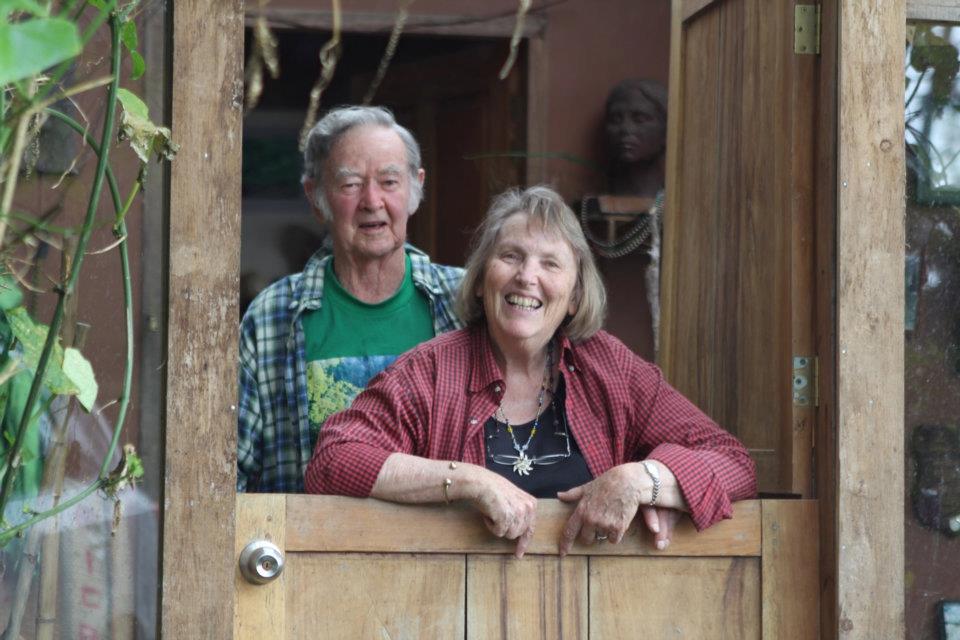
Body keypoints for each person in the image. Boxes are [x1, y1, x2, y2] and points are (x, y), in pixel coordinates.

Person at [305, 185, 756, 556]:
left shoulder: (609, 367)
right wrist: (464, 479)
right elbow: (333, 460)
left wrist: (643, 480)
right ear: (481, 281)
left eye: (550, 263)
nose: (527, 277)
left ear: (575, 296)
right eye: (511, 257)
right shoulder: (432, 371)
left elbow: (733, 461)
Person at [237, 106, 464, 492]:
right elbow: (232, 470)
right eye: (351, 184)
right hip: (310, 549)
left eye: (389, 181)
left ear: (415, 188)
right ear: (316, 196)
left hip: (440, 550)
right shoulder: (273, 316)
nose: (372, 201)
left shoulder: (464, 302)